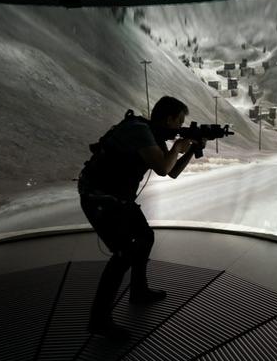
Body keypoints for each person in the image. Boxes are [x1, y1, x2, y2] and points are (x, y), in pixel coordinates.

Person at [78, 96, 204, 340]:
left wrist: (191, 149)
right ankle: (99, 320)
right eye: (179, 121)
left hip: (118, 198)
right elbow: (162, 168)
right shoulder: (139, 130)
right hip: (98, 198)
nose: (180, 126)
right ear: (168, 119)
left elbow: (172, 172)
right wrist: (178, 148)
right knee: (123, 253)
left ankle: (138, 291)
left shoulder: (154, 134)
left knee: (145, 237)